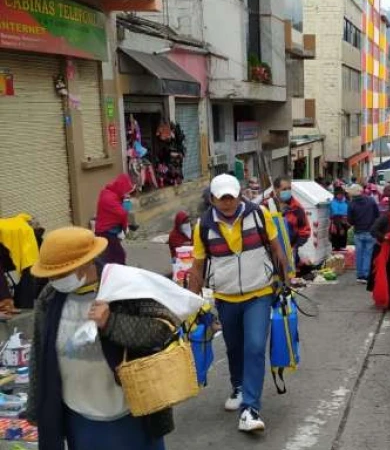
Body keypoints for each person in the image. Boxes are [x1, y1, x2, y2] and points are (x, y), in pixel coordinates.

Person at [29, 227, 180, 449]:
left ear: (85, 262)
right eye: (50, 274)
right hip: (79, 416)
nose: (54, 280)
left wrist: (111, 323)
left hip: (131, 413)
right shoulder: (50, 297)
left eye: (61, 273)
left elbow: (162, 329)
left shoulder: (125, 285)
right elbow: (39, 351)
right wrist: (36, 406)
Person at [188, 174, 289, 432]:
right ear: (212, 198)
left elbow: (277, 249)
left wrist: (285, 281)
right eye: (222, 198)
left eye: (231, 196)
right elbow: (197, 267)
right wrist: (191, 303)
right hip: (225, 296)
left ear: (239, 194)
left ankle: (250, 409)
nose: (228, 202)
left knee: (255, 346)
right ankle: (239, 387)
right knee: (234, 347)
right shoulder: (203, 226)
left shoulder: (259, 215)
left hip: (259, 293)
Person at [95, 174, 135, 265]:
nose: (127, 194)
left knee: (112, 256)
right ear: (121, 187)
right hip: (105, 232)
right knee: (118, 256)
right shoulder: (109, 198)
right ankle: (117, 275)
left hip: (107, 231)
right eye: (126, 191)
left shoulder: (110, 193)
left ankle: (108, 272)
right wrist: (126, 230)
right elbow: (122, 214)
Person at [271, 176, 311, 266]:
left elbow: (305, 231)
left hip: (291, 251)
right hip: (272, 252)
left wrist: (295, 246)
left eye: (289, 188)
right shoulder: (267, 205)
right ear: (276, 190)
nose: (288, 191)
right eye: (284, 189)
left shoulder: (297, 208)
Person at [347, 184, 380, 284]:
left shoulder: (351, 204)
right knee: (368, 254)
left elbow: (350, 221)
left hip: (358, 231)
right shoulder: (371, 200)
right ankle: (366, 275)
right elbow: (377, 214)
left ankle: (360, 275)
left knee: (359, 254)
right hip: (370, 231)